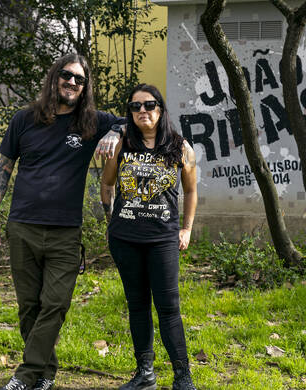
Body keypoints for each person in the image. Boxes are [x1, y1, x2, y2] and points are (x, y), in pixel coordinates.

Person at [0, 53, 125, 390]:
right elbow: (3, 169)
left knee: (56, 303)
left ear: (85, 86)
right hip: (23, 226)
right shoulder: (24, 120)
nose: (72, 82)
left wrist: (115, 132)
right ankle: (45, 372)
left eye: (80, 79)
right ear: (54, 78)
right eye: (67, 75)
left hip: (65, 231)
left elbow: (138, 119)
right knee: (28, 306)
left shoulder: (91, 121)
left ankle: (25, 374)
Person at [101, 83, 198, 390]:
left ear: (160, 109)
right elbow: (106, 183)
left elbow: (192, 190)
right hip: (125, 239)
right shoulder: (122, 144)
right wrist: (110, 220)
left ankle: (183, 377)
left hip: (162, 240)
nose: (143, 111)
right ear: (129, 113)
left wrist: (187, 229)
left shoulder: (181, 147)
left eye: (149, 105)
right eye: (135, 106)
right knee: (137, 304)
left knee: (169, 306)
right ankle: (145, 374)